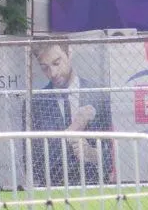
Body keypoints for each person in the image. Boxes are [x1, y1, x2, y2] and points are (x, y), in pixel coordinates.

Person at [29, 40, 113, 186]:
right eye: (45, 68)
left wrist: (92, 154)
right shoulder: (35, 103)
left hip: (93, 183)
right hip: (53, 186)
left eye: (57, 63)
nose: (53, 73)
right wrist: (74, 128)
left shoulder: (99, 95)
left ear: (69, 54)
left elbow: (112, 153)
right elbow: (33, 159)